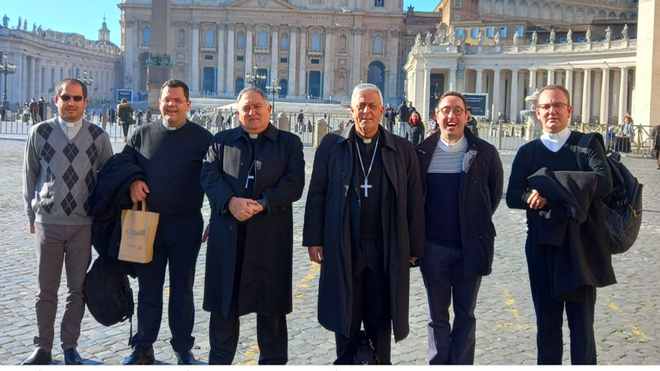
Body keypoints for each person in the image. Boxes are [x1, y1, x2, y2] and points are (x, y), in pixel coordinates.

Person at [303, 83, 425, 364]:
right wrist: (313, 239)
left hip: (386, 248)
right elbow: (317, 193)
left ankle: (380, 363)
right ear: (352, 110)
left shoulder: (402, 150)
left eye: (372, 106)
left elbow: (415, 201)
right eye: (361, 105)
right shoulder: (331, 146)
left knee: (380, 316)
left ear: (383, 111)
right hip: (343, 244)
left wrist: (414, 246)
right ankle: (345, 361)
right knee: (345, 313)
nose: (366, 111)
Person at [506, 84, 616, 365]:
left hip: (581, 245)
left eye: (558, 106)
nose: (552, 111)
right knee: (547, 327)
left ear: (569, 111)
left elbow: (604, 182)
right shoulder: (527, 152)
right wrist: (528, 195)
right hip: (542, 247)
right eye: (546, 107)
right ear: (538, 113)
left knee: (582, 329)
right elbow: (512, 195)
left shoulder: (587, 144)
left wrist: (549, 184)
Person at [200, 87, 305, 364]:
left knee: (270, 319)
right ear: (237, 112)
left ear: (269, 110)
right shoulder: (220, 142)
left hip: (269, 239)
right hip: (229, 239)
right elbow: (208, 176)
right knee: (223, 317)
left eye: (258, 106)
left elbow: (294, 184)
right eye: (246, 108)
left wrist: (264, 203)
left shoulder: (289, 143)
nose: (252, 112)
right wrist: (229, 202)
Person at [122, 79, 213, 365]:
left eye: (176, 100)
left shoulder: (203, 138)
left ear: (188, 104)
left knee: (182, 289)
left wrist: (217, 215)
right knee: (148, 288)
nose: (170, 105)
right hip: (147, 223)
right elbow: (124, 165)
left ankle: (183, 347)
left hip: (186, 224)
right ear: (159, 102)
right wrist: (133, 181)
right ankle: (143, 346)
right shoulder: (140, 134)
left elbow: (216, 178)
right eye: (166, 99)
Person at [22, 78, 113, 365]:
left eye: (76, 98)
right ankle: (42, 347)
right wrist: (30, 214)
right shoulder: (39, 132)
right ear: (56, 100)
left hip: (82, 225)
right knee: (46, 289)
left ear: (86, 102)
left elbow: (108, 178)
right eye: (65, 98)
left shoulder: (99, 136)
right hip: (48, 221)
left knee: (78, 289)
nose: (71, 103)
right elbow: (29, 177)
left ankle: (70, 345)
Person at [415, 91, 503, 364]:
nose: (451, 116)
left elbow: (493, 195)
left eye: (457, 110)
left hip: (470, 247)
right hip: (433, 249)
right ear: (436, 116)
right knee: (437, 316)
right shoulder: (421, 154)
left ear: (467, 116)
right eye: (445, 111)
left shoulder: (485, 153)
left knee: (466, 314)